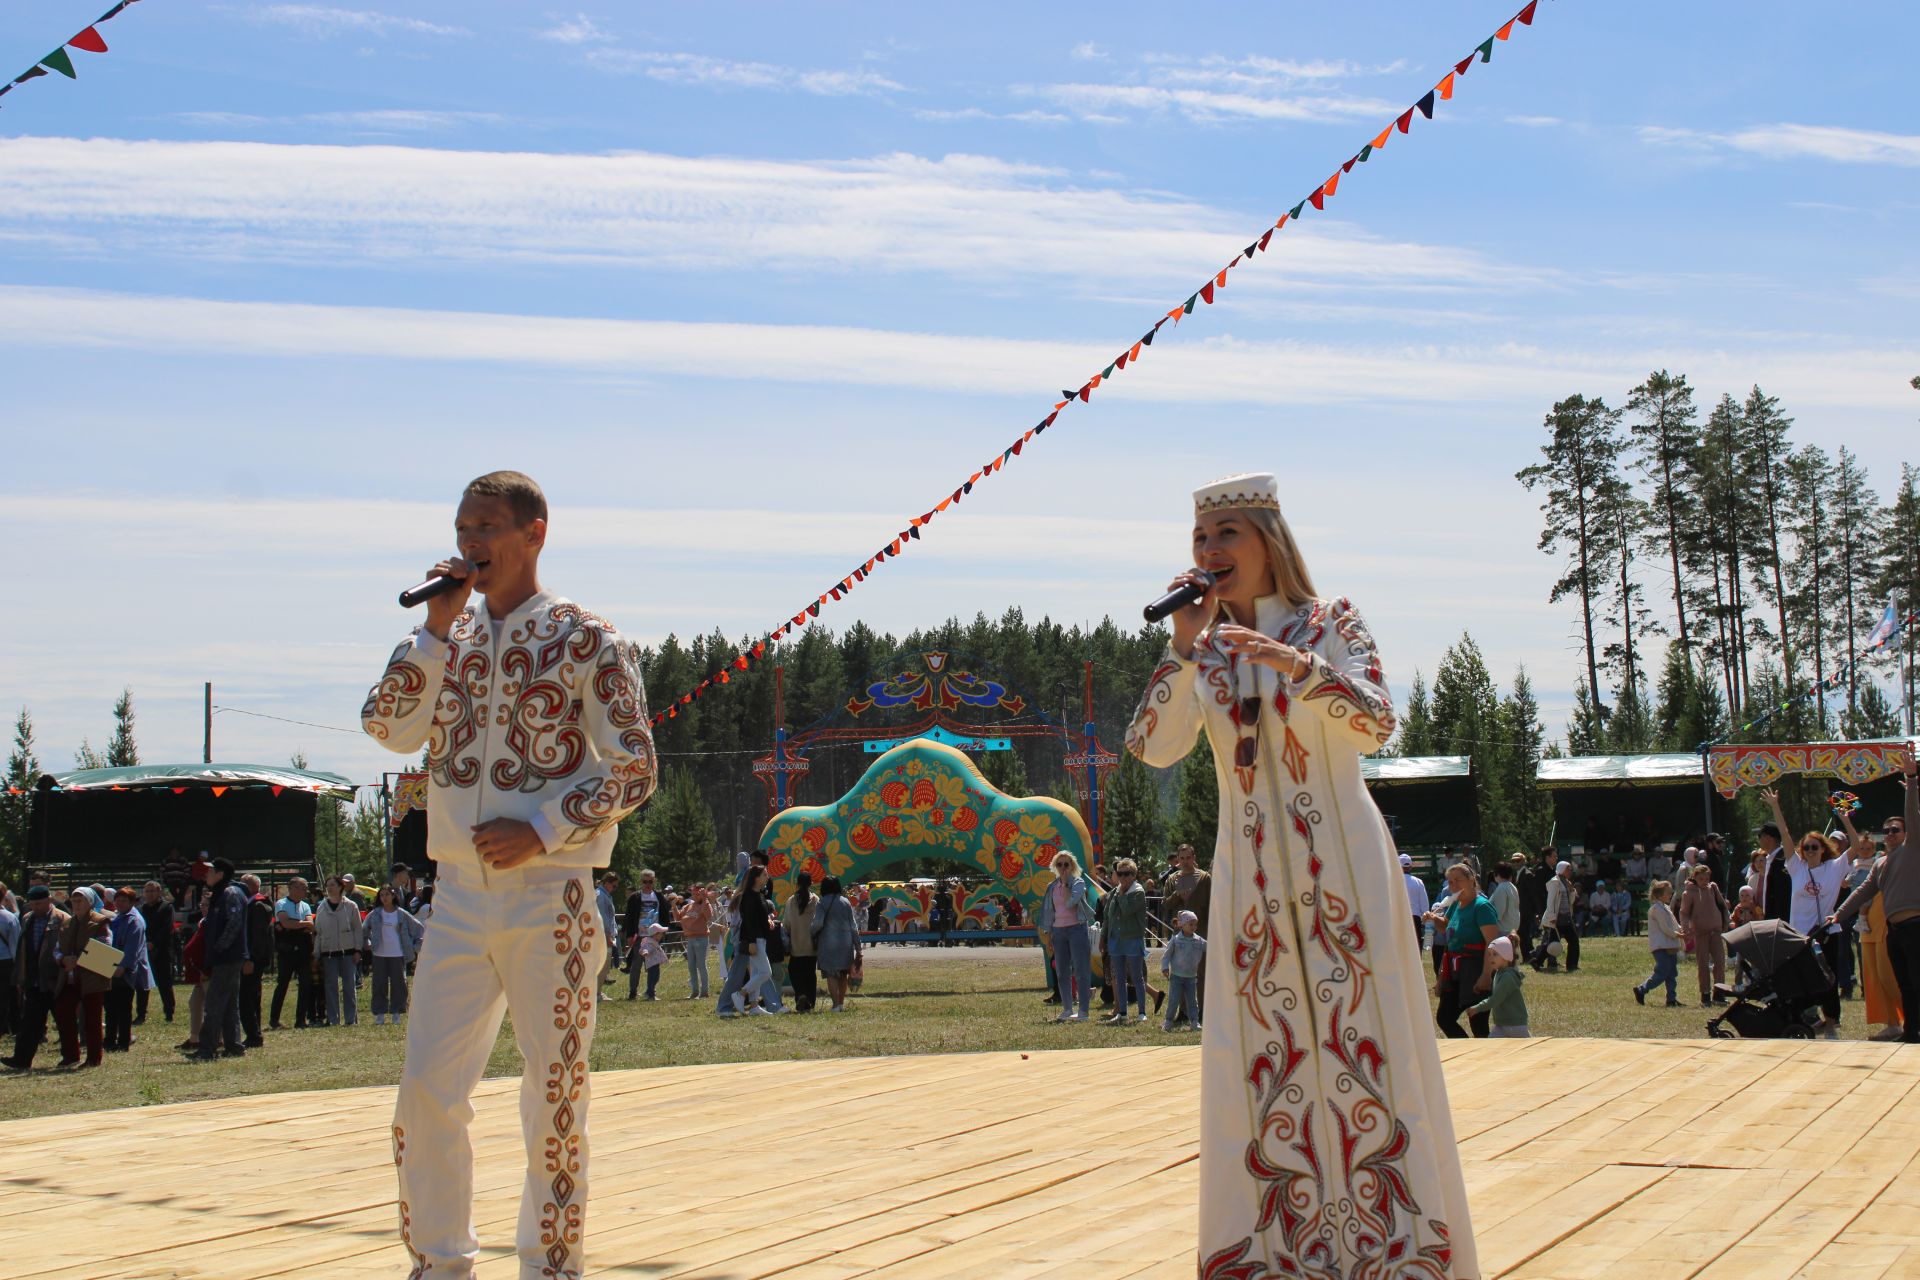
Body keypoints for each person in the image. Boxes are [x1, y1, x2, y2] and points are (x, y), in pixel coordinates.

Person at [1124, 472, 1476, 1275]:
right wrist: (1182, 647)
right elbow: (1152, 746)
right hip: (1249, 887)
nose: (1209, 554)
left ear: (1269, 543)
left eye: (1225, 537)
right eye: (1199, 542)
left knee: (1372, 1050)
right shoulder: (1200, 651)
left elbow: (1378, 722)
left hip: (1348, 877)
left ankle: (1398, 1253)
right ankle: (1281, 1255)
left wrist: (1289, 661)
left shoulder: (1329, 624)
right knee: (1260, 1062)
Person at [361, 470, 658, 1280]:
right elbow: (386, 728)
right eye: (462, 526)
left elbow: (635, 769)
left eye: (487, 525)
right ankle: (440, 1262)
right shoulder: (442, 639)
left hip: (550, 895)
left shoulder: (587, 637)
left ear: (535, 533)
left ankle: (549, 1266)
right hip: (455, 897)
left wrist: (541, 828)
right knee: (425, 1086)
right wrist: (432, 632)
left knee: (554, 1091)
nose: (470, 542)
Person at [1829, 757, 1919, 1042]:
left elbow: (1913, 815)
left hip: (1916, 926)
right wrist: (1839, 915)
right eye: (1887, 830)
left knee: (1918, 981)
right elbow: (1862, 892)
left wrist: (1912, 782)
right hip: (1894, 930)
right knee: (1904, 983)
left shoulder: (1913, 848)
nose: (1890, 834)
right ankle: (1911, 1031)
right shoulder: (1880, 864)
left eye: (1896, 830)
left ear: (1906, 834)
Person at [1762, 787, 1849, 1036]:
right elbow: (1786, 835)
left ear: (1823, 849)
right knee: (1802, 979)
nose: (1810, 851)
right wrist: (1776, 806)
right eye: (1807, 848)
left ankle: (1831, 1022)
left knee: (1829, 978)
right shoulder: (1796, 867)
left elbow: (1853, 846)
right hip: (1799, 936)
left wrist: (1845, 821)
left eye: (1814, 847)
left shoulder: (1834, 867)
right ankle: (1802, 1018)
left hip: (1825, 932)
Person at [1428, 863, 1498, 1039]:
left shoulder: (1482, 907)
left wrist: (1486, 975)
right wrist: (1433, 918)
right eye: (1450, 882)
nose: (1453, 886)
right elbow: (1446, 927)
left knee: (1478, 1023)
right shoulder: (1455, 905)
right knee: (1445, 1018)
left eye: (1458, 880)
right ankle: (1467, 1051)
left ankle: (1485, 1059)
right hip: (1455, 971)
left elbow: (1492, 943)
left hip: (1475, 968)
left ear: (1471, 880)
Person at [4, 886, 65, 1070]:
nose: (35, 906)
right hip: (34, 980)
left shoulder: (62, 919)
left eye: (39, 903)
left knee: (63, 1021)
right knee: (29, 1022)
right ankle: (21, 1060)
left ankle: (70, 1055)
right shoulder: (27, 919)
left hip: (55, 980)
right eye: (32, 903)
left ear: (49, 900)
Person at [196, 860, 249, 1060]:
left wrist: (219, 948)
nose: (206, 874)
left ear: (220, 873)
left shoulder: (231, 894)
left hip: (227, 957)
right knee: (227, 1004)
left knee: (214, 1003)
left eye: (210, 871)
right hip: (225, 957)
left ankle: (206, 1049)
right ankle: (233, 1046)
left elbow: (234, 925)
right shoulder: (220, 894)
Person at [53, 886, 111, 1068]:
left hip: (92, 978)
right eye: (74, 901)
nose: (76, 904)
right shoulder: (66, 924)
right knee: (63, 1013)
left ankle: (94, 1059)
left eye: (80, 901)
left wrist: (77, 960)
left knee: (92, 1020)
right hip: (69, 979)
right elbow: (56, 949)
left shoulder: (101, 922)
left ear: (90, 902)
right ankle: (71, 1056)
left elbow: (105, 948)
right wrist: (63, 960)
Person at [1036, 851, 1097, 1023]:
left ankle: (1083, 1011)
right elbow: (1048, 912)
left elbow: (1072, 902)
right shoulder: (1052, 887)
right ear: (1055, 866)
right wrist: (1048, 934)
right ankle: (1067, 1009)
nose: (1063, 868)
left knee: (1081, 969)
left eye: (1066, 864)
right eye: (1059, 864)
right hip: (1058, 932)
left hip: (1076, 929)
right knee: (1062, 971)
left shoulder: (1078, 882)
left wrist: (1066, 883)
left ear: (1072, 866)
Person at [1160, 843, 1211, 1017]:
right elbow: (1165, 903)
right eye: (1182, 858)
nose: (1185, 861)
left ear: (1194, 858)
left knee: (1201, 970)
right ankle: (1182, 1010)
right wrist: (1177, 896)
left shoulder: (1204, 878)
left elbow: (1212, 905)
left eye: (1188, 857)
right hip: (1180, 935)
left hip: (1201, 932)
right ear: (1177, 860)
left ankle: (1203, 1008)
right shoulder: (1172, 879)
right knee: (1180, 972)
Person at [365, 885, 425, 1025]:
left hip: (397, 953)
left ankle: (396, 1012)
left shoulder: (401, 914)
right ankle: (380, 1013)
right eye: (382, 895)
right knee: (379, 983)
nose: (384, 897)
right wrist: (367, 943)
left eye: (387, 894)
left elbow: (419, 929)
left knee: (399, 984)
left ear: (393, 896)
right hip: (379, 953)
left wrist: (414, 947)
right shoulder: (375, 914)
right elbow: (364, 930)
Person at [1101, 858, 1149, 1025]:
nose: (1122, 877)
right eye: (1119, 873)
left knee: (1137, 977)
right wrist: (1103, 937)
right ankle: (1122, 1012)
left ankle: (1142, 1012)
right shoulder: (1114, 892)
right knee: (1119, 977)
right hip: (1116, 940)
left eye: (1126, 874)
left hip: (1133, 939)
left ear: (1133, 875)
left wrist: (1121, 894)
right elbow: (1107, 917)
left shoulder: (1138, 892)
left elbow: (1128, 910)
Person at [104, 886, 153, 1051]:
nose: (120, 903)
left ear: (132, 902)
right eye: (117, 900)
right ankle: (109, 1040)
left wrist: (123, 967)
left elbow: (133, 948)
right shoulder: (116, 918)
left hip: (126, 972)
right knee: (110, 1008)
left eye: (124, 900)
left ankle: (123, 1042)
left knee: (124, 1009)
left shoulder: (135, 920)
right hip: (111, 967)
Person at [313, 875, 365, 1027]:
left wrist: (358, 950)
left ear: (340, 887)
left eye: (333, 885)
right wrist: (317, 953)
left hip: (348, 952)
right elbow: (318, 931)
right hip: (328, 952)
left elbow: (358, 929)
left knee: (349, 986)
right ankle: (333, 1019)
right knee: (331, 987)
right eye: (327, 885)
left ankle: (350, 1019)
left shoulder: (351, 906)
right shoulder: (321, 907)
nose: (329, 888)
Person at [1676, 862, 1730, 1007]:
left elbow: (1722, 906)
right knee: (1703, 964)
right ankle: (1705, 994)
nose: (1704, 882)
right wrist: (1686, 928)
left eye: (1706, 879)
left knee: (1719, 962)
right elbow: (1684, 912)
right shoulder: (1689, 893)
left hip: (1716, 931)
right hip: (1700, 933)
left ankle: (1719, 993)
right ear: (1695, 877)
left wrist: (1725, 922)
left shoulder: (1713, 888)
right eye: (1701, 879)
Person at [727, 866, 775, 1016]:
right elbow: (748, 922)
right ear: (756, 877)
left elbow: (759, 916)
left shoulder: (758, 894)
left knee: (756, 973)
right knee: (766, 972)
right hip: (755, 939)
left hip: (761, 937)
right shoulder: (748, 897)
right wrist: (752, 941)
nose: (767, 877)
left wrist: (768, 920)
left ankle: (754, 1006)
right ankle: (741, 994)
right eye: (764, 874)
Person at [810, 876, 861, 1013]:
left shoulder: (822, 903)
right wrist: (858, 947)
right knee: (843, 974)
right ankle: (841, 1003)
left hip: (828, 944)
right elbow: (853, 926)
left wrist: (812, 932)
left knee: (831, 974)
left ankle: (835, 1004)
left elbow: (818, 923)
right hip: (846, 943)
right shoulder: (845, 902)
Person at [271, 876, 315, 1030]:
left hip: (303, 950)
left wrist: (294, 925)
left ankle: (301, 1019)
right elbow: (285, 922)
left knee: (305, 984)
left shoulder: (305, 905)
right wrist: (301, 924)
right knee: (282, 984)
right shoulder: (281, 904)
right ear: (293, 888)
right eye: (303, 887)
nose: (306, 891)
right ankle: (274, 1020)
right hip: (286, 950)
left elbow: (311, 925)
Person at [1633, 881, 1683, 1008]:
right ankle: (1642, 989)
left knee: (1672, 973)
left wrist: (1681, 929)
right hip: (1661, 946)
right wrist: (1678, 935)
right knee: (1662, 972)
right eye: (1668, 892)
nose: (1671, 894)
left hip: (1670, 945)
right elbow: (1665, 928)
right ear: (1660, 895)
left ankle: (1671, 999)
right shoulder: (1656, 909)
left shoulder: (1665, 908)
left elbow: (1674, 924)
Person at [238, 874, 274, 1048]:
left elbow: (258, 937)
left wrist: (250, 959)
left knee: (247, 998)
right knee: (251, 997)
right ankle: (254, 1032)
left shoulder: (258, 905)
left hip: (252, 959)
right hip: (253, 958)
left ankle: (253, 1035)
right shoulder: (255, 904)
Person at [1469, 936, 1528, 1038]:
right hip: (1501, 1024)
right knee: (1491, 1048)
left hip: (1515, 1024)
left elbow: (1496, 999)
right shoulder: (1499, 973)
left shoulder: (1507, 977)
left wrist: (1477, 1008)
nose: (1490, 957)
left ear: (1506, 956)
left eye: (1495, 954)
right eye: (1489, 954)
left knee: (1526, 1051)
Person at [1160, 909, 1205, 1032]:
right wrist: (1164, 967)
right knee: (1174, 1000)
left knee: (1192, 1001)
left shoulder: (1199, 941)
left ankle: (1194, 1022)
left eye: (1195, 924)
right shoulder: (1175, 940)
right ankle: (1168, 1021)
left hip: (1191, 977)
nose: (1193, 927)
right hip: (1176, 976)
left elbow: (1211, 947)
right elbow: (1167, 955)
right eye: (1191, 924)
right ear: (1182, 925)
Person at [781, 875, 819, 1012]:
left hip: (796, 946)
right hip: (811, 946)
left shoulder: (791, 901)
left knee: (795, 972)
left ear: (796, 884)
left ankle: (801, 994)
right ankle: (810, 1000)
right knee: (810, 973)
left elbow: (787, 924)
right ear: (811, 883)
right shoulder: (815, 900)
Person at [1538, 860, 1580, 972]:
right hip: (1557, 919)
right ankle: (1537, 961)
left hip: (1566, 918)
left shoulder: (1566, 882)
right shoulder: (1554, 882)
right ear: (1561, 869)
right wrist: (1552, 917)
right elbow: (1550, 901)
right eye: (1568, 869)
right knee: (1552, 944)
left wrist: (1571, 890)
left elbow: (1571, 901)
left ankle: (1572, 965)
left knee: (1573, 941)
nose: (1570, 871)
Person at [674, 887, 713, 999]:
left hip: (701, 938)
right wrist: (674, 906)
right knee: (691, 965)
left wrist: (705, 899)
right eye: (693, 893)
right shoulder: (688, 906)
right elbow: (678, 917)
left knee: (701, 964)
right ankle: (695, 991)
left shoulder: (705, 904)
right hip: (690, 938)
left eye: (698, 894)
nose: (695, 896)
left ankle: (704, 991)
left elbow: (709, 916)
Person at [1401, 852, 1430, 951]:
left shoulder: (1392, 881)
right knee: (1415, 947)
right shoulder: (1418, 882)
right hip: (1415, 917)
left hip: (1399, 916)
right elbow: (1424, 904)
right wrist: (1425, 919)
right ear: (1410, 866)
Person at [1488, 862, 1520, 941]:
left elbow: (1499, 912)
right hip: (1512, 927)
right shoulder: (1512, 886)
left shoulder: (1501, 888)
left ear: (1497, 874)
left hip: (1503, 929)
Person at [0, 890, 16, 1040]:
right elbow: (15, 946)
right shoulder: (9, 917)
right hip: (5, 963)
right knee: (3, 999)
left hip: (4, 963)